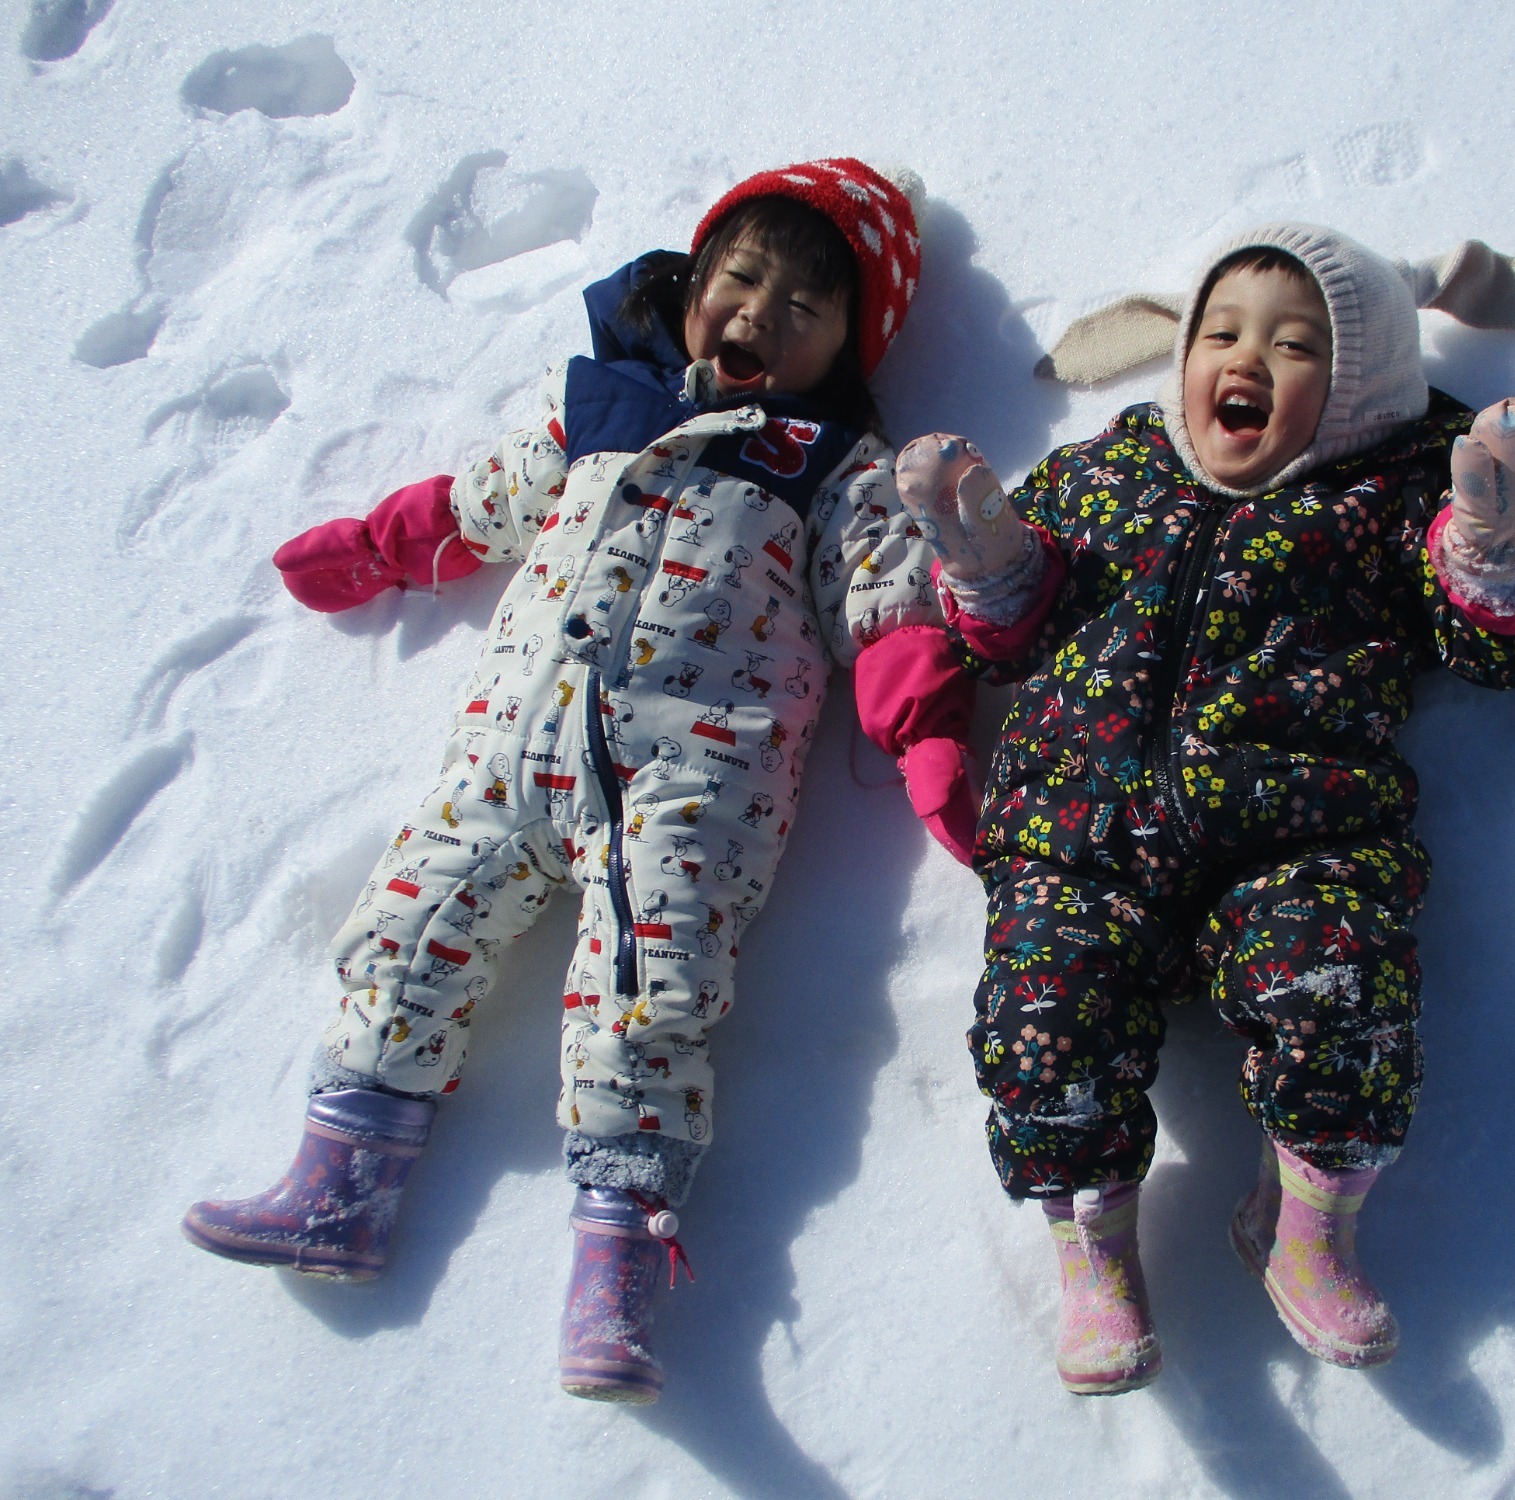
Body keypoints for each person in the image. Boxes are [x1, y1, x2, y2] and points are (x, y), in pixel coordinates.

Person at [182, 160, 979, 1405]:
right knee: (406, 924)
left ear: (848, 346)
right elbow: (483, 499)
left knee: (650, 997)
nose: (763, 315)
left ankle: (618, 1269)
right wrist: (389, 545)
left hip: (692, 783)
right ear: (695, 285)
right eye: (744, 279)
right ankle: (341, 1186)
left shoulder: (837, 467)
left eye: (806, 307)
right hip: (512, 749)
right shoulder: (604, 405)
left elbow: (882, 607)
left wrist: (925, 733)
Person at [893, 223, 1515, 1394]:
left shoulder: (1385, 496)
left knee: (1341, 995)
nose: (1245, 357)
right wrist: (986, 558)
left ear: (1365, 380)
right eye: (1219, 331)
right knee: (1044, 1010)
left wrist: (1499, 544)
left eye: (1295, 343)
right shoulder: (1106, 470)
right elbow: (1009, 635)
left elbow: (1493, 645)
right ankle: (1094, 1259)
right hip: (1080, 834)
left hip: (1297, 833)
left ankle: (1308, 1228)